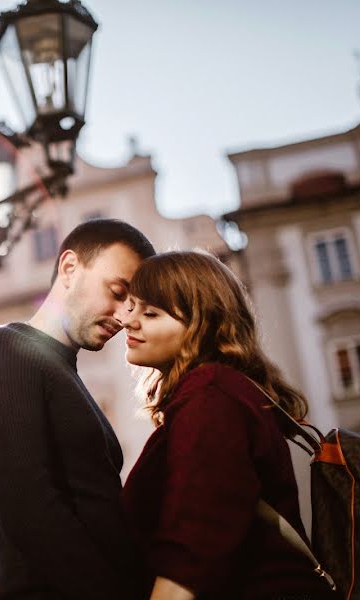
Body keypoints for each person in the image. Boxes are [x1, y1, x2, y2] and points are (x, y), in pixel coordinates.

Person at [119, 250, 335, 600]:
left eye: (151, 313)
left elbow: (192, 549)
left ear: (201, 323)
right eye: (132, 307)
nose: (129, 321)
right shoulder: (220, 390)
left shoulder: (211, 395)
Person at [0, 219, 156, 599]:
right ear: (69, 268)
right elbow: (29, 510)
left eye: (132, 305)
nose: (123, 316)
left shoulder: (63, 371)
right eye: (117, 291)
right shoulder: (4, 350)